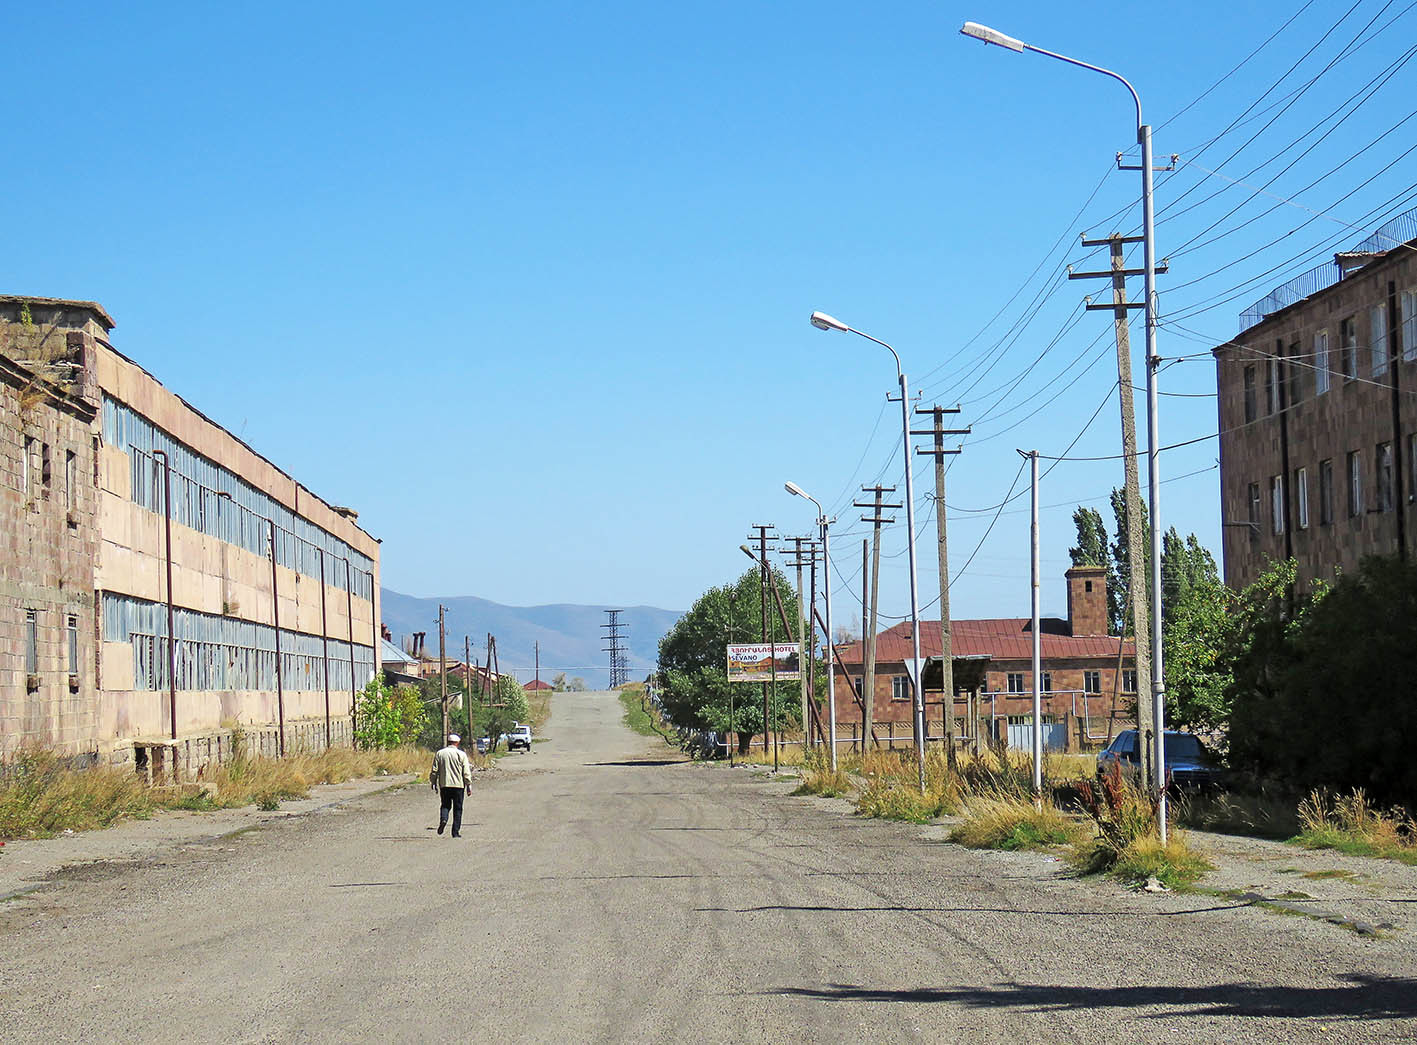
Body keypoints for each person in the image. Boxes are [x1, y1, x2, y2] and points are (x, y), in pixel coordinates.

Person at [430, 733, 473, 838]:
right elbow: (466, 771)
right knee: (458, 808)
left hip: (444, 784)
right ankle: (455, 832)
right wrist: (469, 785)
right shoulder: (461, 754)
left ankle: (444, 819)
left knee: (445, 805)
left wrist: (433, 782)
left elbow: (434, 770)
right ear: (457, 743)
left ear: (448, 742)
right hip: (458, 786)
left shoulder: (440, 753)